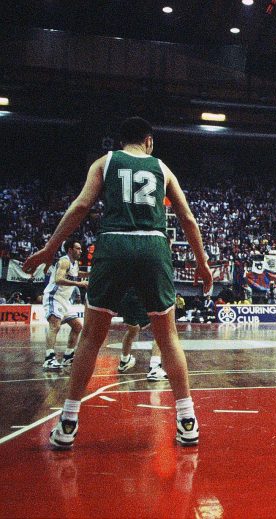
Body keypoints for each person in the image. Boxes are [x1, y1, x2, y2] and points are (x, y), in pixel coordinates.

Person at [24, 116, 212, 449]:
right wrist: (202, 263)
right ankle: (187, 420)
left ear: (119, 141)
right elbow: (187, 217)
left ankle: (67, 422)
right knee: (167, 337)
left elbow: (81, 205)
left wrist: (49, 249)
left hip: (113, 244)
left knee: (91, 338)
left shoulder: (105, 162)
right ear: (149, 141)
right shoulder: (162, 168)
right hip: (154, 245)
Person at [41, 238, 88, 370]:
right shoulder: (64, 261)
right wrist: (79, 284)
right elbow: (58, 279)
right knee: (54, 325)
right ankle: (49, 358)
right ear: (70, 250)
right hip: (54, 297)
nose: (80, 251)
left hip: (65, 301)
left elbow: (76, 273)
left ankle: (68, 356)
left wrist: (91, 273)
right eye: (78, 248)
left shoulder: (75, 263)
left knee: (78, 326)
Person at [116, 287, 167, 381]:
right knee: (161, 330)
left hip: (124, 297)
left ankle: (124, 361)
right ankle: (155, 368)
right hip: (141, 294)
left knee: (133, 329)